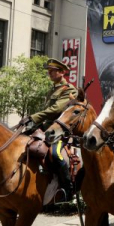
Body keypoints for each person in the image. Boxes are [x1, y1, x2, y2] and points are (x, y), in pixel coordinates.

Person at [20, 58, 79, 203]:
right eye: (49, 71)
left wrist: (33, 117)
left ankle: (67, 189)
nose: (50, 74)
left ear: (61, 72)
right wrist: (32, 123)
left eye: (52, 71)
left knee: (55, 154)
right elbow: (46, 111)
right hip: (45, 129)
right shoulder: (53, 90)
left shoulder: (69, 90)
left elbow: (56, 109)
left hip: (60, 131)